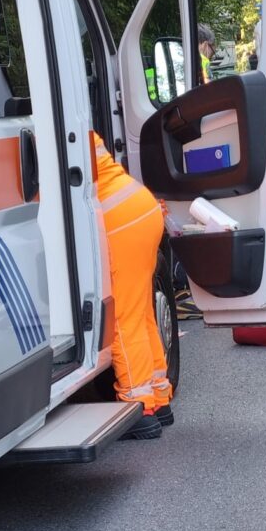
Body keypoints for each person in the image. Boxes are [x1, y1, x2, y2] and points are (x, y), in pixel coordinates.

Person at [92, 131, 172, 439]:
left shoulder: (41, 132)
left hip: (120, 221)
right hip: (141, 208)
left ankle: (138, 405)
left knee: (124, 321)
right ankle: (159, 399)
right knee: (142, 313)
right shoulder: (82, 127)